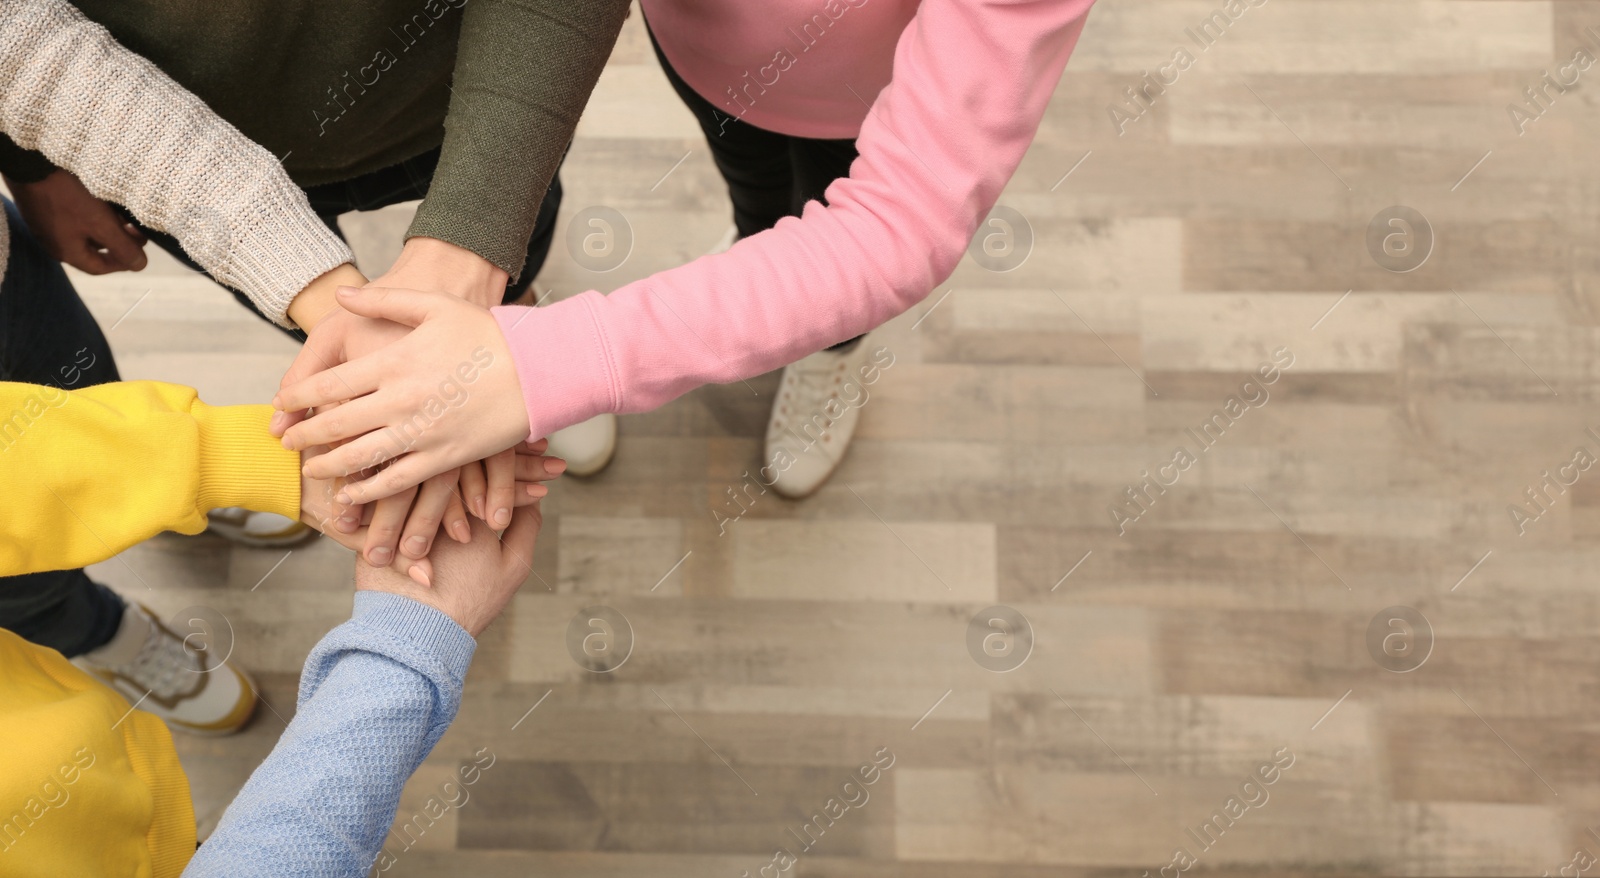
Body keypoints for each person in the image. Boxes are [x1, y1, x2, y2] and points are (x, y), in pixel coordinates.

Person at [273, 0, 1098, 501]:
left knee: (832, 244)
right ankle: (761, 249)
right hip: (704, 63)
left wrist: (548, 363)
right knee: (756, 194)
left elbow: (902, 221)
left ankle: (827, 345)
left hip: (869, 101)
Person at [1, 0, 633, 569]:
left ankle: (513, 322)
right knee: (302, 313)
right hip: (155, 138)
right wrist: (31, 163)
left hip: (448, 88)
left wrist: (472, 256)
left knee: (521, 228)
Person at [0, 411, 542, 874]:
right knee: (50, 607)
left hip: (112, 798)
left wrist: (240, 465)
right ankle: (110, 635)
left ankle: (170, 509)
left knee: (50, 576)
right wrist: (409, 635)